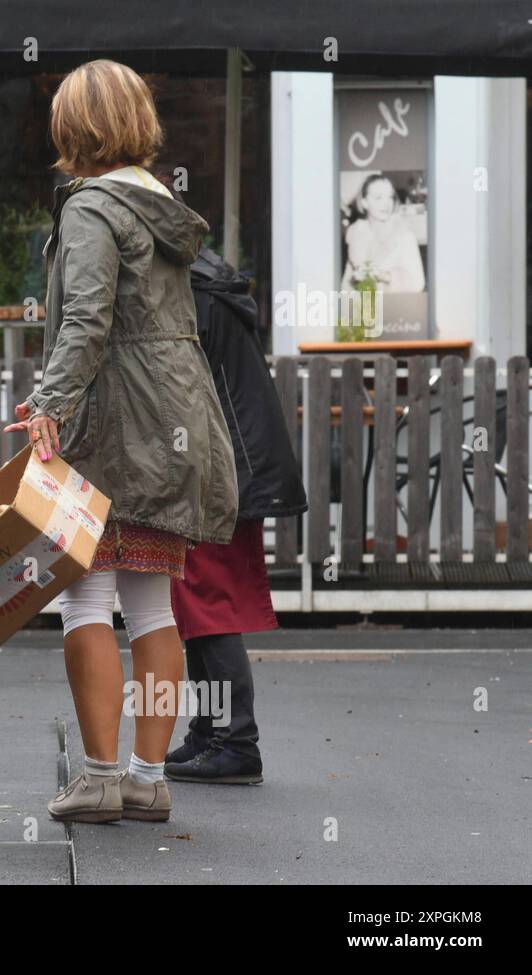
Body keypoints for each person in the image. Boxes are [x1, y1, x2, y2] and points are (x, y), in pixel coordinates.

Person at [5, 59, 238, 824]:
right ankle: (148, 776)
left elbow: (86, 320)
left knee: (84, 599)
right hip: (174, 419)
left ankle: (100, 776)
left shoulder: (90, 207)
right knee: (153, 608)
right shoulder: (158, 201)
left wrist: (48, 403)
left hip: (113, 427)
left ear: (72, 129)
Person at [164, 246, 308, 785]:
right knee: (199, 604)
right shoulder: (209, 287)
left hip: (221, 469)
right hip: (234, 462)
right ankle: (211, 733)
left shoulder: (191, 296)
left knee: (208, 604)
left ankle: (233, 741)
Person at [341, 173, 425, 293]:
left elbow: (418, 284)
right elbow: (345, 286)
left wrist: (386, 276)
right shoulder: (356, 235)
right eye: (378, 197)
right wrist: (355, 281)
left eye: (390, 197)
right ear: (364, 203)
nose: (386, 203)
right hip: (363, 308)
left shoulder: (405, 236)